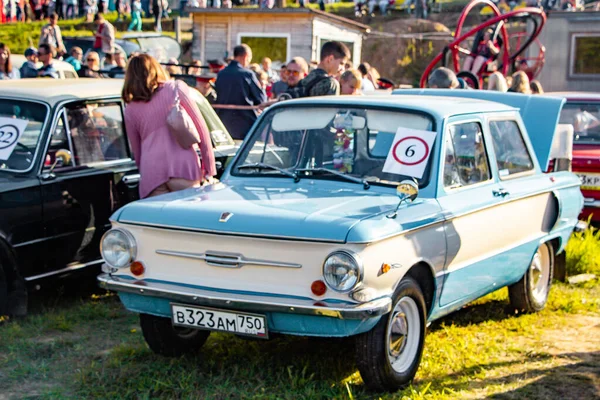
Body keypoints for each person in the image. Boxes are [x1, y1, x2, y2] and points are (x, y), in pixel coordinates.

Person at [122, 54, 217, 199]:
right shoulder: (176, 89)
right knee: (186, 219)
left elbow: (138, 152)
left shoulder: (130, 109)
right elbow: (202, 129)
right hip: (183, 168)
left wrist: (146, 172)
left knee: (158, 221)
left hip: (151, 173)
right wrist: (209, 169)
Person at [214, 44, 267, 140]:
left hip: (223, 123)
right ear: (246, 56)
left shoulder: (221, 74)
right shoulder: (247, 74)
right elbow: (261, 99)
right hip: (245, 124)